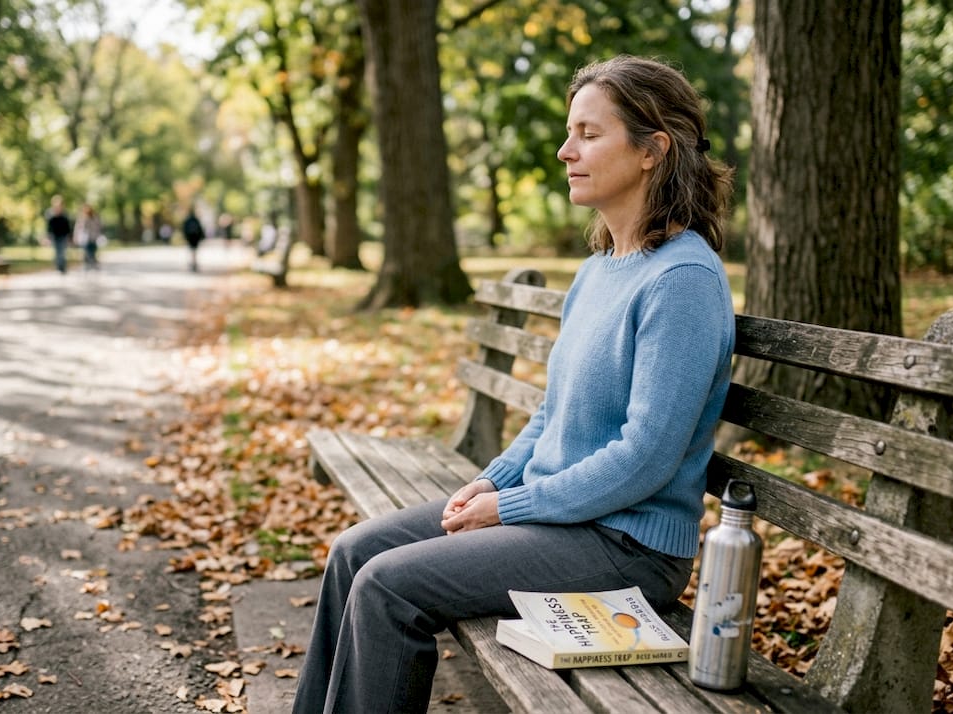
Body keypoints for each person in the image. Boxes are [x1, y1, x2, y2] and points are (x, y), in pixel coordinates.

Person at [292, 55, 736, 714]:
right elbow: (551, 415)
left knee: (388, 587)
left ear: (653, 151)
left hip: (626, 546)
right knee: (355, 552)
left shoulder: (683, 282)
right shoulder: (599, 271)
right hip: (563, 518)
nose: (566, 151)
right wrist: (494, 481)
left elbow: (645, 458)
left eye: (588, 133)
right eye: (569, 132)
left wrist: (510, 508)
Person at [45, 195, 72, 274]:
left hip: (63, 236)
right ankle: (59, 267)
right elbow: (49, 227)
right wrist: (47, 237)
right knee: (57, 252)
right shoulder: (50, 213)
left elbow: (67, 226)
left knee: (62, 252)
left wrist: (69, 237)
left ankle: (62, 268)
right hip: (54, 236)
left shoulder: (65, 214)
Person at [73, 203, 102, 271]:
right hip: (85, 238)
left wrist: (98, 234)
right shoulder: (82, 217)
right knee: (86, 251)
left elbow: (98, 226)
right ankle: (87, 264)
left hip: (94, 237)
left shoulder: (95, 217)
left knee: (93, 250)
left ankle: (93, 263)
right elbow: (77, 227)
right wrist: (75, 236)